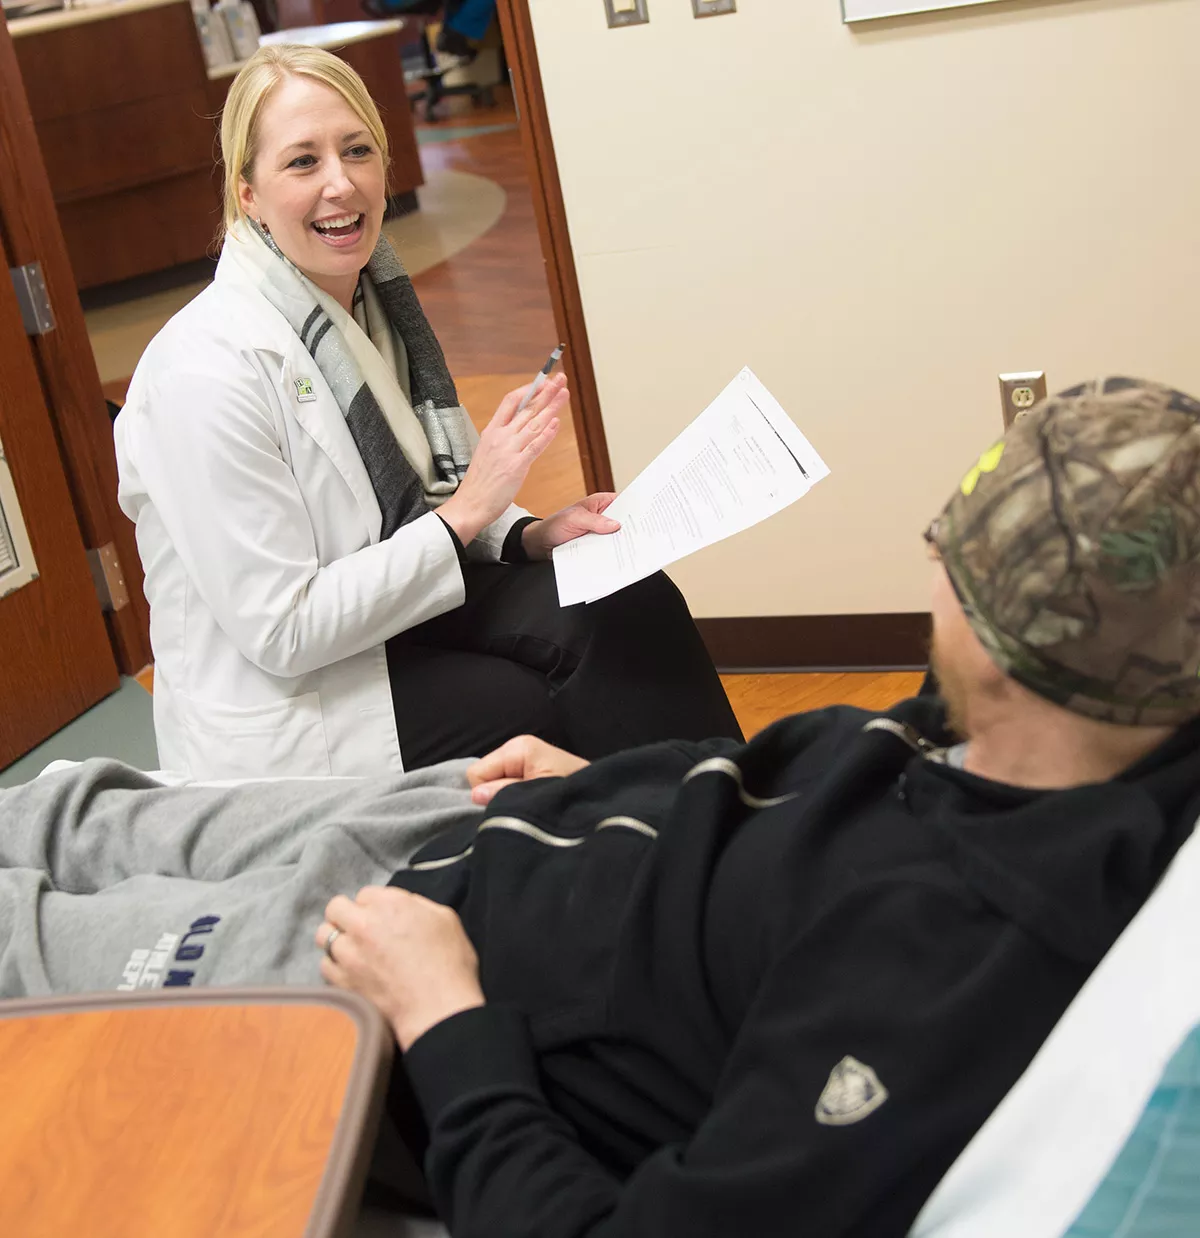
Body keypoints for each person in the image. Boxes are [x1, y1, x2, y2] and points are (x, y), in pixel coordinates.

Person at [13, 378, 1200, 1234]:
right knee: (86, 810)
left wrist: (443, 1017)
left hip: (394, 978)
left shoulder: (941, 974)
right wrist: (610, 786)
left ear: (1006, 644)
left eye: (948, 550)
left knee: (32, 942)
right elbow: (795, 809)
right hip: (497, 823)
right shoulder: (1072, 736)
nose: (927, 564)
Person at [113, 45, 740, 781]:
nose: (341, 185)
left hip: (396, 615)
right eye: (302, 163)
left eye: (356, 151)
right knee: (527, 704)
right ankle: (660, 848)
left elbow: (437, 498)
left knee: (629, 598)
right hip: (297, 694)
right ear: (247, 193)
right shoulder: (202, 371)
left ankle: (732, 828)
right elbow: (284, 630)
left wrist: (533, 534)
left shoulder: (376, 308)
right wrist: (473, 511)